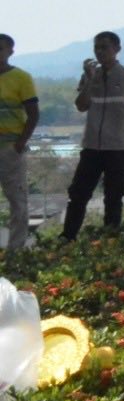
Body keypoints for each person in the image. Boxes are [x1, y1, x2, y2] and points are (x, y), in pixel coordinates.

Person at [62, 30, 124, 238]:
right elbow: (81, 105)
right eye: (96, 48)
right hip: (91, 146)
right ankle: (68, 237)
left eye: (105, 47)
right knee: (78, 194)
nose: (100, 52)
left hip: (118, 148)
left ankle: (110, 238)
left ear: (117, 49)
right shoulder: (89, 77)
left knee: (114, 196)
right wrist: (90, 80)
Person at [0, 34, 37, 252]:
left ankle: (16, 252)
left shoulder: (21, 78)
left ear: (10, 51)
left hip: (10, 147)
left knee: (17, 202)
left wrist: (20, 144)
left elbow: (33, 114)